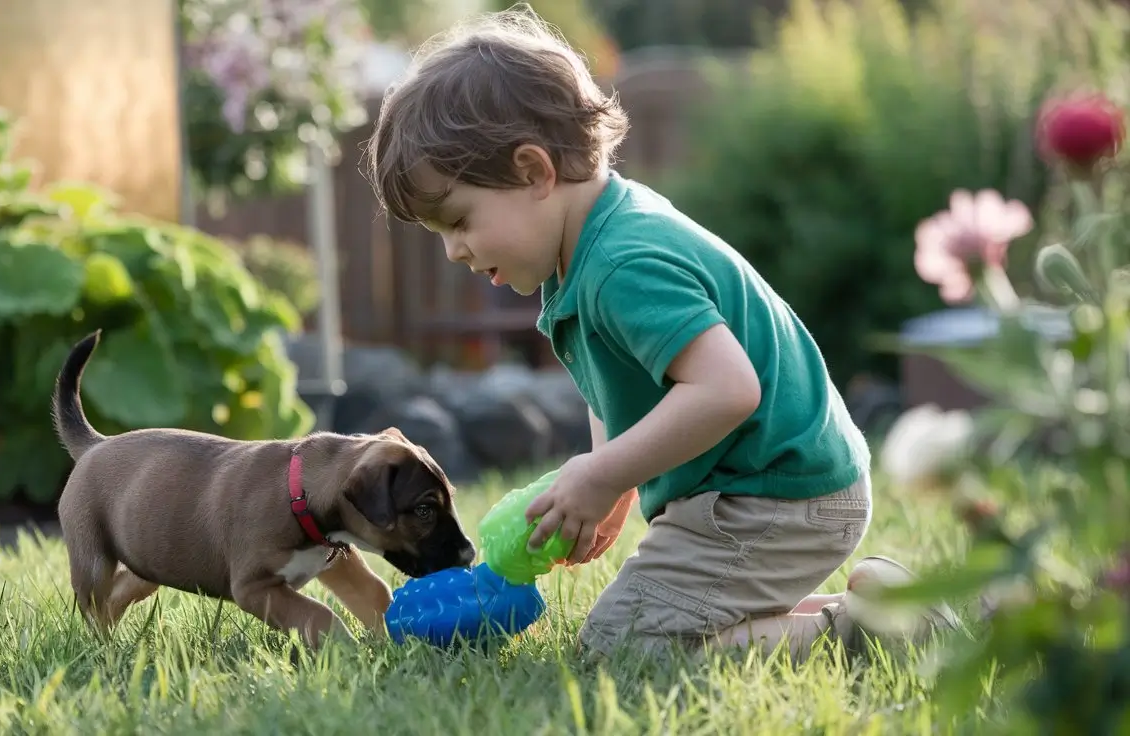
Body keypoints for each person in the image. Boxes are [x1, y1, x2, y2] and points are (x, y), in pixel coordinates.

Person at [363, 4, 959, 660]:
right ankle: (880, 609)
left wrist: (598, 475)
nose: (455, 251)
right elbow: (614, 380)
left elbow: (729, 390)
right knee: (661, 630)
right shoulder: (584, 251)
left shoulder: (625, 263)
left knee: (624, 648)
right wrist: (614, 479)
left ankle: (871, 632)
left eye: (460, 221)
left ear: (533, 172)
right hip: (754, 490)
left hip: (778, 495)